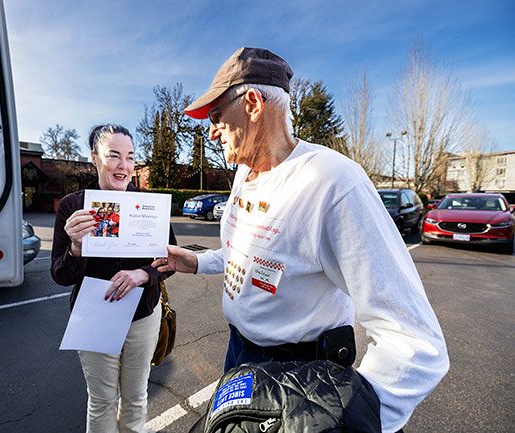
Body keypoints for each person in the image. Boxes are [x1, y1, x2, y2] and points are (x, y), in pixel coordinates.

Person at [152, 47, 449, 433]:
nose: (211, 131)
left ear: (253, 103)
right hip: (238, 355)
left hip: (303, 373)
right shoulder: (245, 175)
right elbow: (248, 255)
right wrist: (195, 261)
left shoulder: (333, 182)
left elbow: (415, 341)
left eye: (216, 117)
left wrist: (346, 418)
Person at [51, 124, 176, 433]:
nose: (124, 165)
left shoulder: (149, 205)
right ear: (95, 157)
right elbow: (60, 275)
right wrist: (76, 248)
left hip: (143, 315)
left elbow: (170, 262)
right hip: (95, 315)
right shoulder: (72, 206)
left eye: (131, 157)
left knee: (136, 397)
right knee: (102, 400)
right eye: (114, 156)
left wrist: (142, 274)